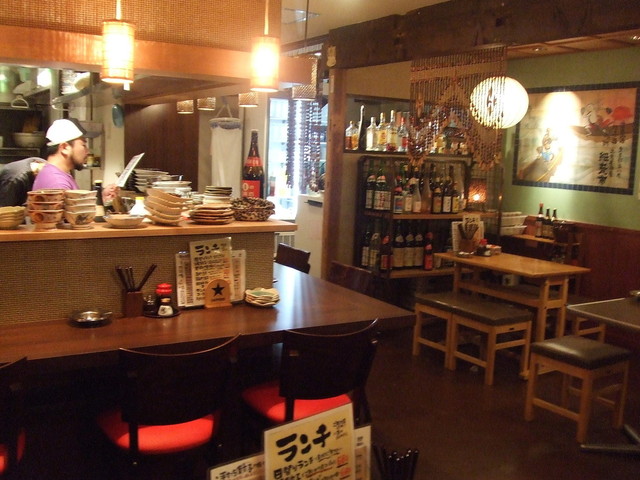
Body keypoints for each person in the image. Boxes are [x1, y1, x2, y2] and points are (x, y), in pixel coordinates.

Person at [31, 118, 118, 202]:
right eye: (83, 145)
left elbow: (76, 209)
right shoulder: (57, 183)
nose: (87, 151)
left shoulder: (56, 174)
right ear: (64, 148)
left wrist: (101, 198)